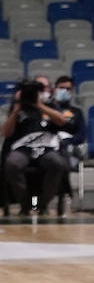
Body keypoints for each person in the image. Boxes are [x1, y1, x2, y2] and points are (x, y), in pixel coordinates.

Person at [2, 82, 78, 215]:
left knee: (57, 163)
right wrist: (16, 109)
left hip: (46, 148)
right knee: (12, 163)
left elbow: (61, 121)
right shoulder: (17, 109)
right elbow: (6, 133)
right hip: (23, 148)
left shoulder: (49, 106)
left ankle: (43, 204)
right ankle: (24, 204)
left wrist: (39, 105)